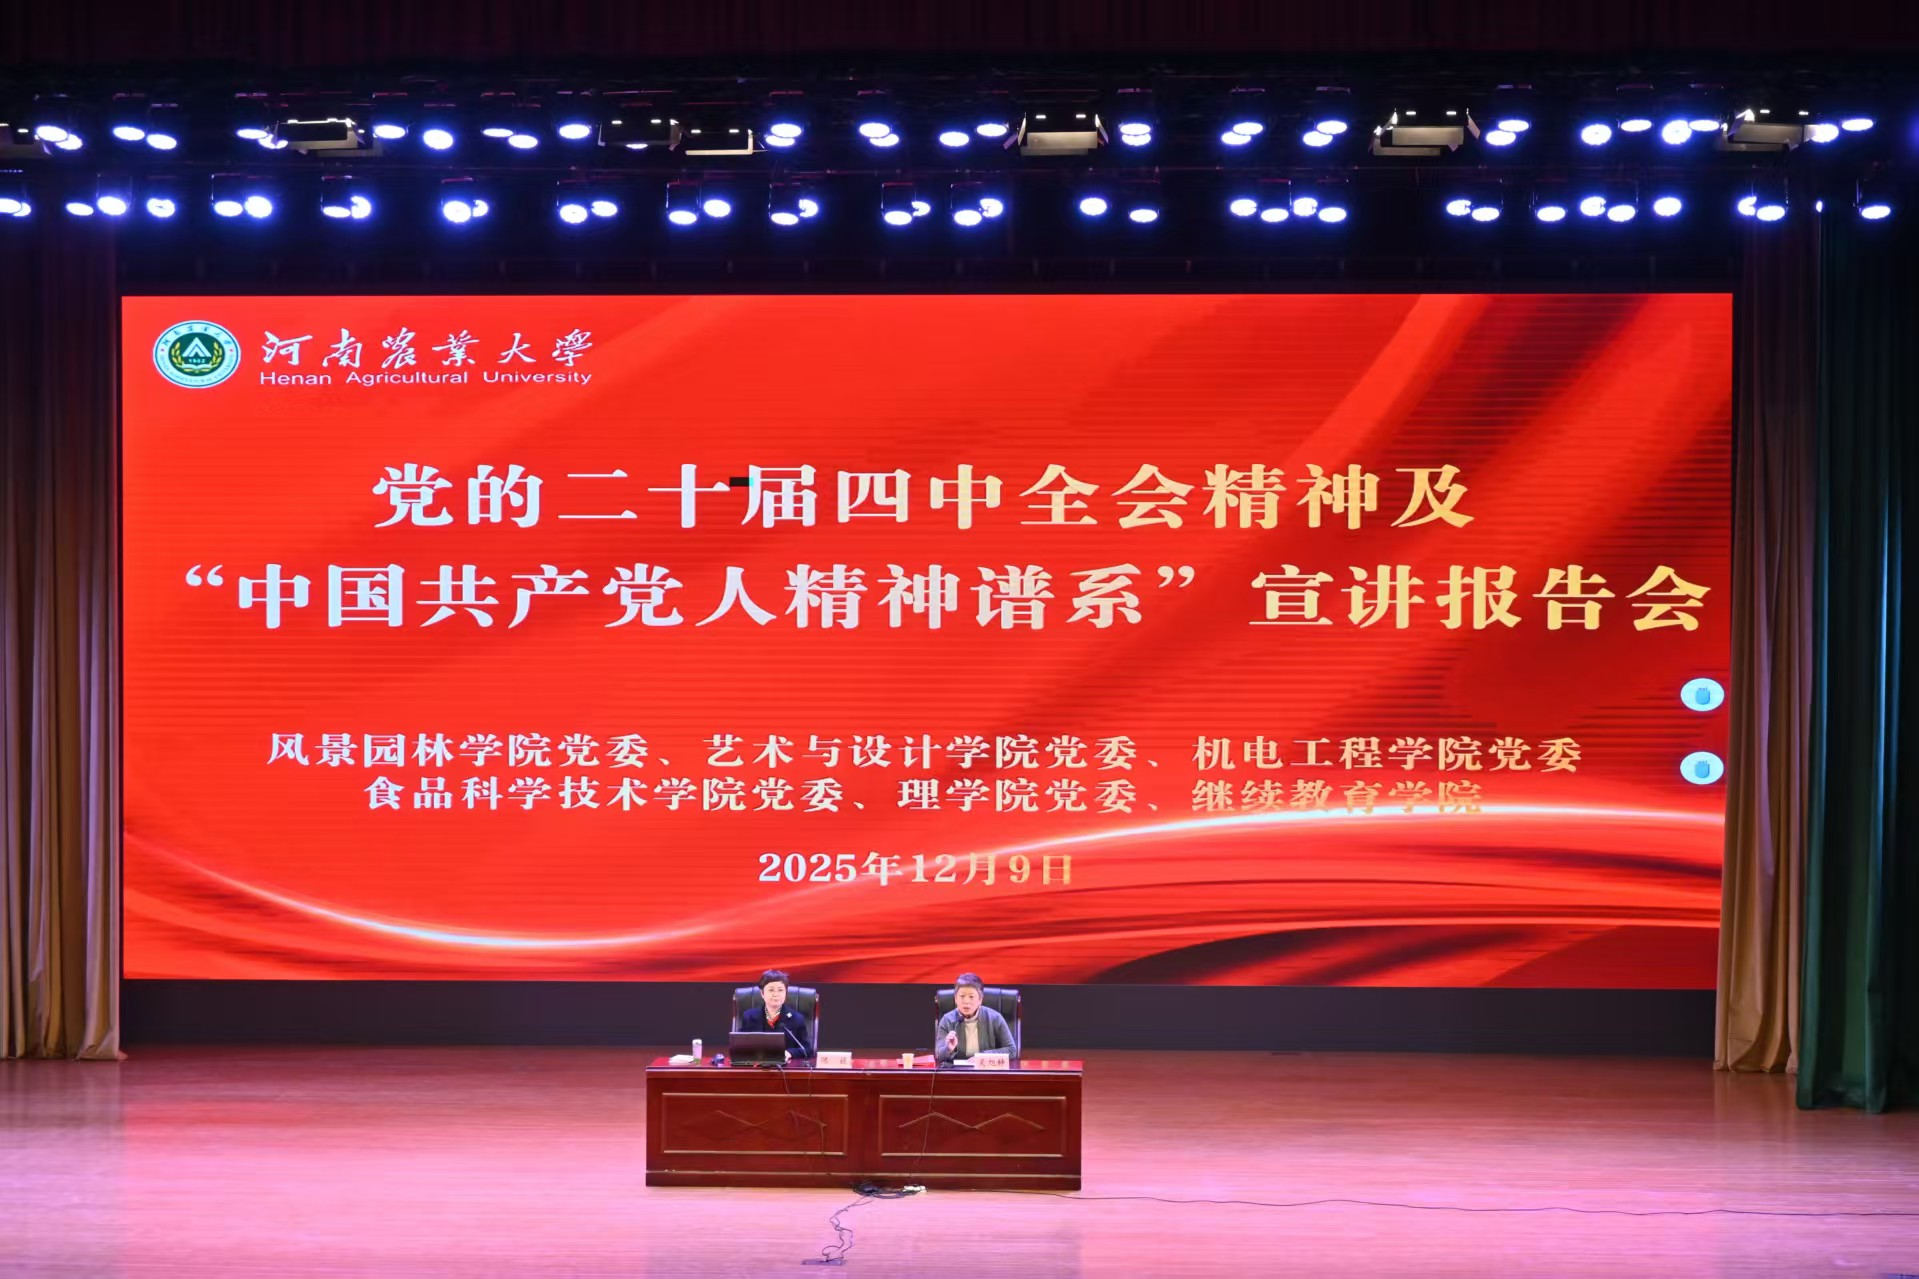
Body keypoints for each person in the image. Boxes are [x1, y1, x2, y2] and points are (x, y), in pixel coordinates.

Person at [934, 972, 1018, 1065]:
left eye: (971, 997)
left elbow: (1011, 1050)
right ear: (956, 999)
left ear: (980, 999)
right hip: (958, 1071)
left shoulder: (995, 1018)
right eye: (962, 996)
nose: (966, 1001)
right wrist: (949, 1049)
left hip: (986, 1070)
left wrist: (983, 1056)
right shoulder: (947, 1020)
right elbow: (939, 1055)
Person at [737, 969, 813, 1060]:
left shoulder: (797, 1019)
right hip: (757, 1065)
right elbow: (738, 1047)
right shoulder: (749, 1017)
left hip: (785, 1067)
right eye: (771, 990)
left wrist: (790, 1053)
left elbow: (808, 1050)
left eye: (780, 990)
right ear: (762, 993)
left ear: (786, 992)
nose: (776, 994)